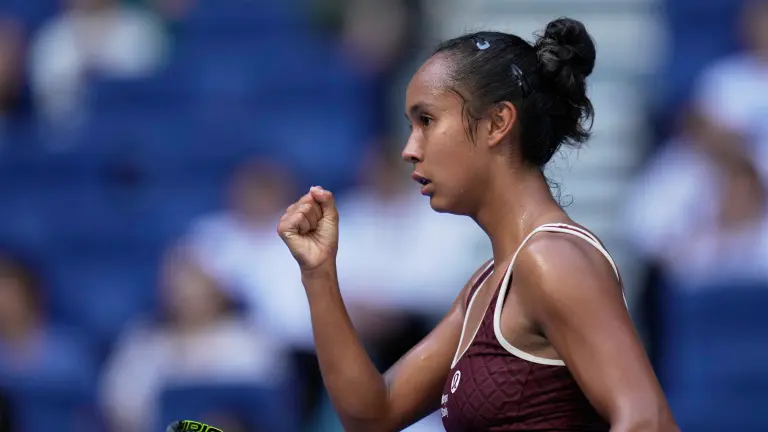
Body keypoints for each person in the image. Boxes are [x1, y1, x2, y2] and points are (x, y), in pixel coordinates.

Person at [277, 17, 678, 432]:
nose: (409, 149)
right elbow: (373, 415)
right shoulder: (485, 286)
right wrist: (318, 273)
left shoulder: (551, 260)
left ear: (497, 123)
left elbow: (648, 423)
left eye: (427, 121)